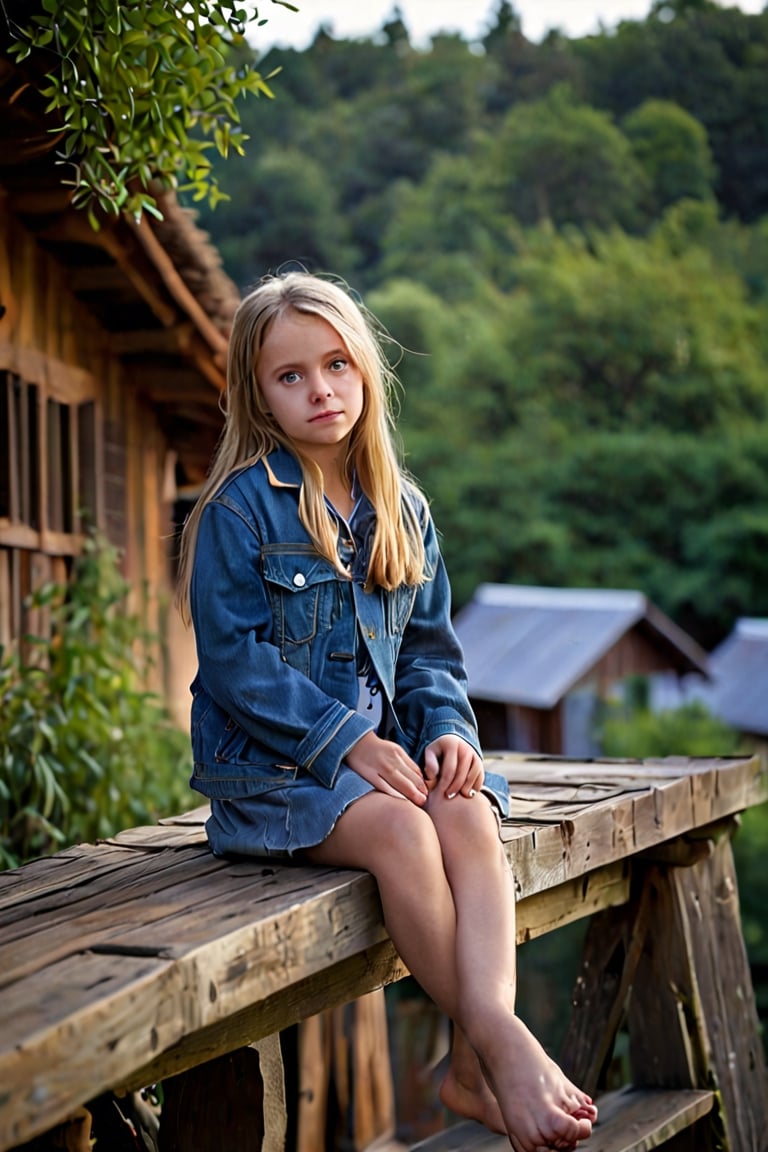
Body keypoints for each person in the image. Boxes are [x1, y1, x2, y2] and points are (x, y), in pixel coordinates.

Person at [176, 271, 597, 1152]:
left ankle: (475, 1057)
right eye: (289, 375)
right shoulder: (239, 511)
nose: (318, 389)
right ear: (257, 393)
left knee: (470, 816)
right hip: (274, 779)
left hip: (391, 764)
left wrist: (446, 732)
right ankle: (505, 1048)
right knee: (406, 836)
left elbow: (429, 656)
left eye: (334, 365)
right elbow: (234, 664)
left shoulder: (403, 509)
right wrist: (347, 743)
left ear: (366, 370)